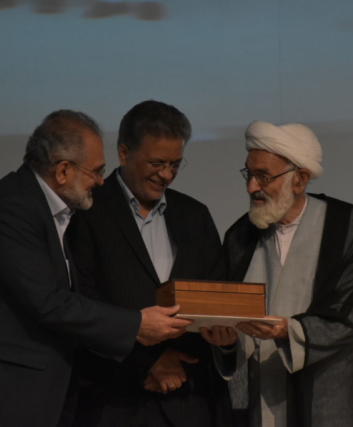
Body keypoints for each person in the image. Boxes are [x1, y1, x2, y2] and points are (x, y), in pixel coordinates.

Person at [0, 110, 191, 427]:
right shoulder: (10, 208)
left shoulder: (50, 211)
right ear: (63, 170)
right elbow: (48, 302)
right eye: (96, 171)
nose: (101, 181)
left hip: (30, 395)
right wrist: (136, 324)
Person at [207, 120, 353, 427]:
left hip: (331, 392)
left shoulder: (347, 227)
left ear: (300, 179)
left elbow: (352, 312)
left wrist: (285, 331)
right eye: (249, 174)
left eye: (263, 176)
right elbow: (234, 316)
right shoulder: (240, 237)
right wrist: (226, 341)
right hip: (267, 390)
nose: (252, 187)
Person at [67, 100, 233, 427]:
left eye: (175, 164)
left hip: (191, 401)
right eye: (156, 163)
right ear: (124, 153)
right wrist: (147, 363)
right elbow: (78, 303)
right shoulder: (86, 211)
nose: (167, 174)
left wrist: (226, 338)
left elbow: (218, 292)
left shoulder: (195, 215)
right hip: (114, 402)